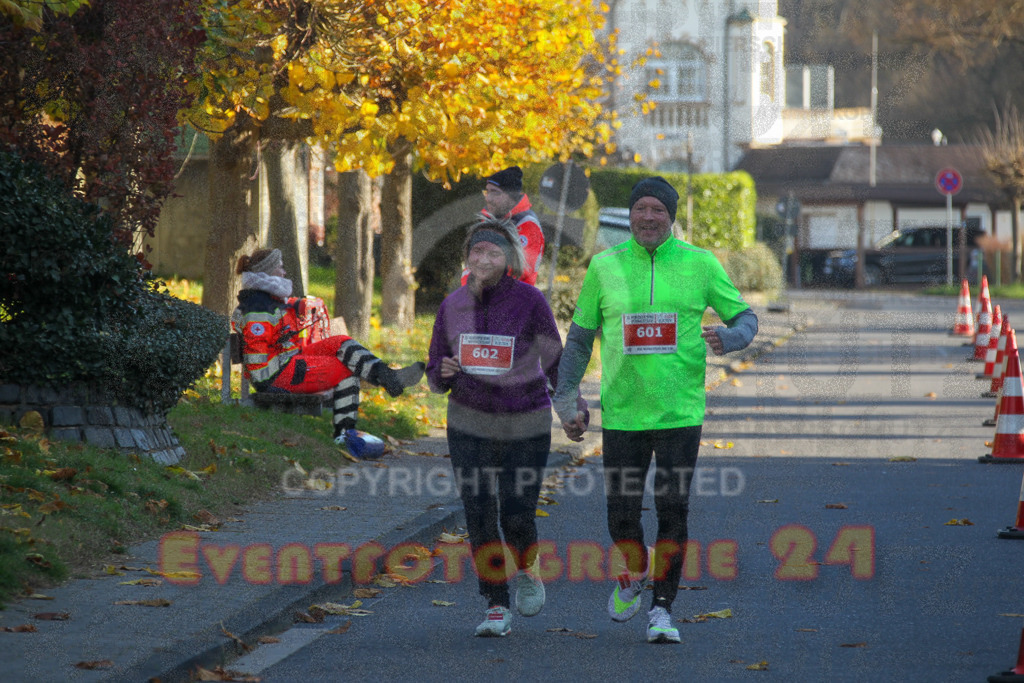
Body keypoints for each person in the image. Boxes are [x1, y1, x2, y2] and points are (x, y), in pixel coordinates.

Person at [552, 176, 758, 644]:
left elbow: (746, 317)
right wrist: (566, 400)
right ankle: (637, 567)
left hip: (679, 413)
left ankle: (663, 609)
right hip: (622, 412)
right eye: (641, 208)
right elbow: (581, 341)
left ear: (671, 216)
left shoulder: (700, 264)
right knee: (620, 514)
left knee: (673, 511)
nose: (648, 217)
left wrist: (732, 338)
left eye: (658, 210)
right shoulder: (604, 267)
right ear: (630, 214)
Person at [427, 217, 588, 637]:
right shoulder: (452, 306)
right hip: (468, 423)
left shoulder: (530, 301)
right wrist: (442, 371)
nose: (483, 259)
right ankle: (495, 604)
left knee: (516, 514)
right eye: (476, 251)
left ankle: (529, 570)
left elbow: (555, 361)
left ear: (510, 259)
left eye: (493, 252)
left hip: (524, 421)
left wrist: (572, 409)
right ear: (467, 257)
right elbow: (435, 371)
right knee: (479, 514)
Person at [232, 248, 424, 446]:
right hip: (275, 376)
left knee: (340, 342)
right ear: (268, 272)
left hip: (288, 362)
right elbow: (256, 358)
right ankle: (344, 435)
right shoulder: (257, 307)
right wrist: (268, 385)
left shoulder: (268, 299)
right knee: (346, 371)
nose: (284, 273)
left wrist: (294, 310)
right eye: (280, 268)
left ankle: (390, 377)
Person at [459, 166, 545, 287]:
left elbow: (517, 271)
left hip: (513, 302)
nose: (488, 198)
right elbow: (471, 264)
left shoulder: (527, 225)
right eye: (487, 192)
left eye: (495, 193)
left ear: (511, 196)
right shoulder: (489, 219)